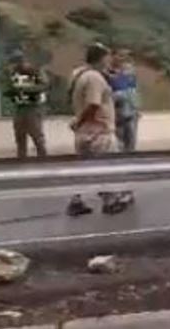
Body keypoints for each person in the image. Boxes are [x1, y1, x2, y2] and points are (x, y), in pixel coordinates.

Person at [68, 42, 133, 216]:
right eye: (107, 57)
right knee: (108, 165)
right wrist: (80, 120)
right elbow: (93, 104)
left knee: (83, 168)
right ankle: (110, 201)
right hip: (98, 130)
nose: (109, 61)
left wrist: (77, 121)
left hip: (83, 132)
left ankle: (76, 200)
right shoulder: (95, 78)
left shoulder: (78, 74)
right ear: (101, 58)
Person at [4, 51, 49, 158]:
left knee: (37, 136)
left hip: (33, 107)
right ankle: (21, 159)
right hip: (19, 107)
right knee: (20, 137)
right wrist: (12, 92)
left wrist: (26, 90)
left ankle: (43, 158)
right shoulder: (13, 74)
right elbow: (7, 88)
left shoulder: (34, 71)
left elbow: (44, 85)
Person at [108, 49, 141, 153]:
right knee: (120, 142)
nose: (122, 59)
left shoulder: (130, 72)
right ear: (112, 56)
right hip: (117, 112)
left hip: (131, 112)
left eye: (124, 56)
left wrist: (137, 108)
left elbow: (134, 91)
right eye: (120, 55)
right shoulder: (107, 73)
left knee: (131, 142)